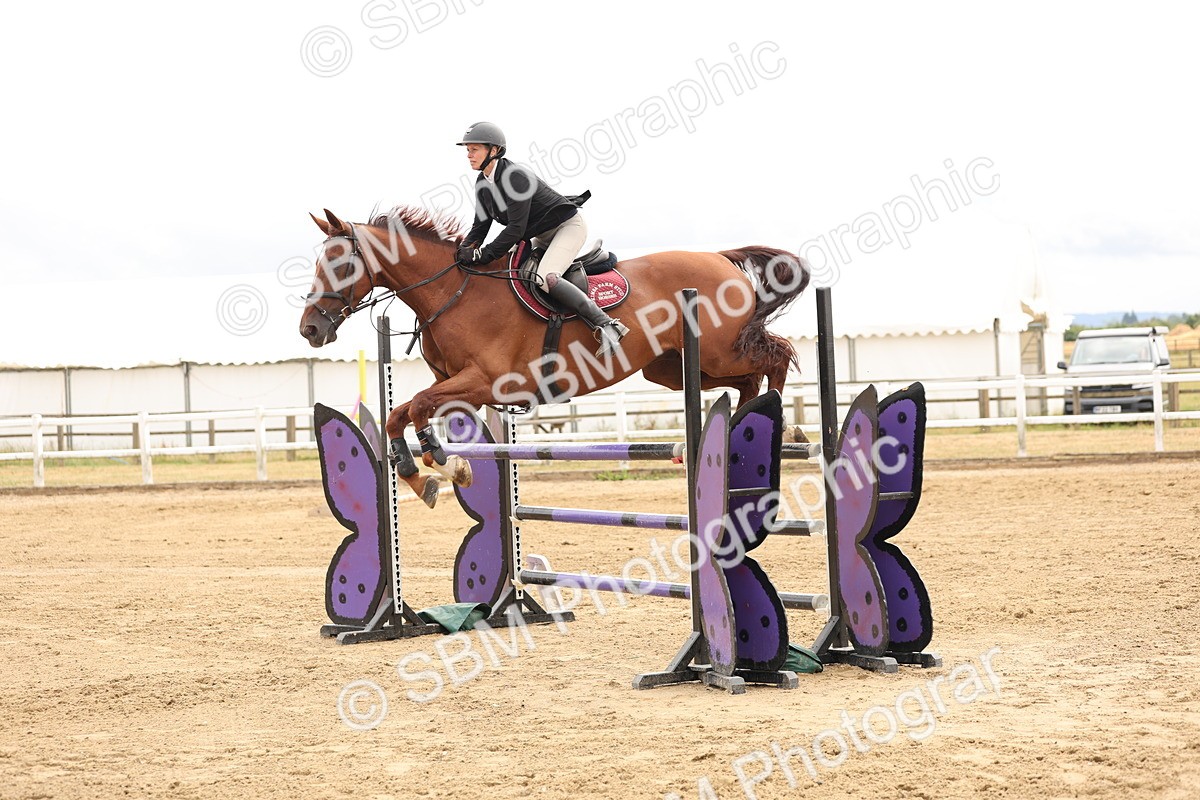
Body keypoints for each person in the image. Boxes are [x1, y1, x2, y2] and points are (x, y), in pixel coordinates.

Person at [454, 121, 629, 357]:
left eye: (474, 149)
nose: (469, 155)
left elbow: (516, 229)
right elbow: (480, 226)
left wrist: (483, 254)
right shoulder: (482, 183)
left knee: (546, 277)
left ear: (493, 150)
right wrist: (463, 251)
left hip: (567, 227)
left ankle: (608, 324)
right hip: (540, 235)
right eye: (468, 150)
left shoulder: (515, 177)